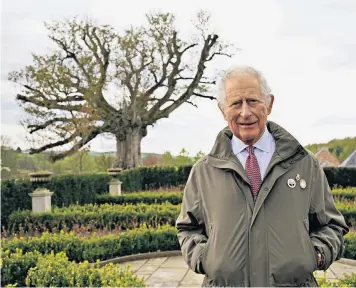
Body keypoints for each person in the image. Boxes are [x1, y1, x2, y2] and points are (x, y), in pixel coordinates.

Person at [175, 65, 349, 287]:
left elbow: (331, 226)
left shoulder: (305, 164)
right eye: (236, 103)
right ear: (222, 110)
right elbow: (188, 228)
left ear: (269, 104)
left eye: (253, 101)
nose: (245, 112)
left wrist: (315, 255)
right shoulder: (204, 171)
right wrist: (204, 259)